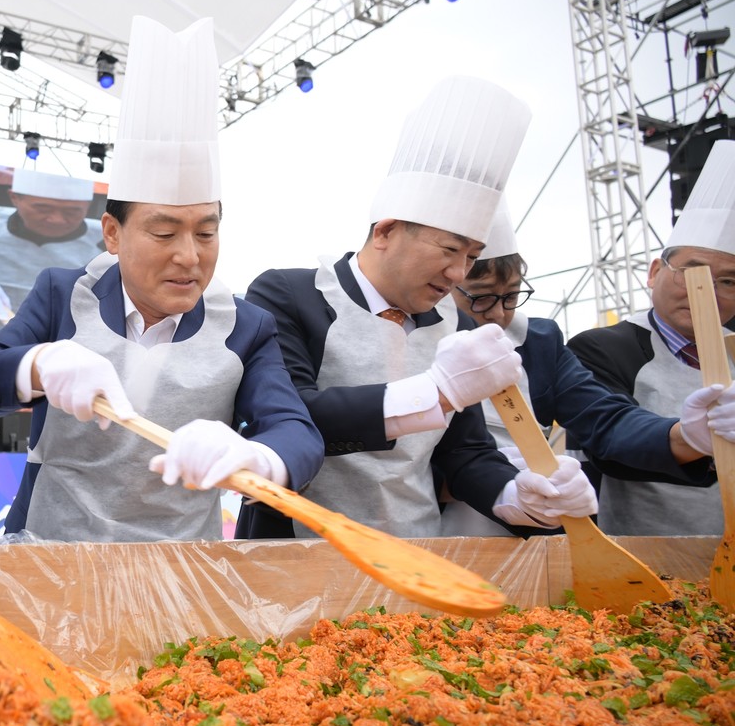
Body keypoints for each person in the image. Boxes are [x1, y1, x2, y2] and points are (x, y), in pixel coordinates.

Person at [0, 16, 324, 541]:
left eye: (206, 233)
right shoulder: (63, 295)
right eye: (164, 233)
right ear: (113, 234)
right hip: (48, 555)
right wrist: (37, 364)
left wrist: (256, 455)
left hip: (184, 572)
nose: (190, 257)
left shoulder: (245, 326)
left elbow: (297, 433)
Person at [237, 76, 596, 541]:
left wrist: (518, 496)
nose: (458, 273)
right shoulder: (290, 295)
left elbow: (466, 453)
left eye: (471, 256)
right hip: (294, 548)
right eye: (449, 249)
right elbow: (296, 416)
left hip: (420, 549)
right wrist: (435, 393)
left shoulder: (458, 324)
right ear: (385, 231)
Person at [441, 203, 728, 536]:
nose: (497, 315)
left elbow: (605, 418)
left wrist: (683, 435)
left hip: (534, 532)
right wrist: (480, 478)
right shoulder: (415, 338)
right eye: (481, 297)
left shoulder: (539, 343)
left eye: (511, 297)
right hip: (434, 529)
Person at [567, 141, 735, 536]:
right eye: (691, 273)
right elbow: (611, 443)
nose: (706, 292)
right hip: (637, 555)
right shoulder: (602, 348)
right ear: (655, 271)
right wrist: (692, 437)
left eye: (727, 281)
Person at [0, 167, 103, 333]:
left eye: (72, 211)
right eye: (43, 209)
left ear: (87, 205)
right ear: (14, 198)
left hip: (72, 342)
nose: (56, 220)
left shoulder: (105, 240)